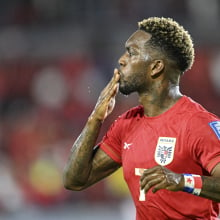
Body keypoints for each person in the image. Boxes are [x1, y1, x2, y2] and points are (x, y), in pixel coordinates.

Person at [63, 17, 220, 219]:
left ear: (156, 67)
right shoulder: (127, 124)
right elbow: (74, 180)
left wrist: (182, 181)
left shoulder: (198, 123)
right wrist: (95, 119)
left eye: (132, 52)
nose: (121, 60)